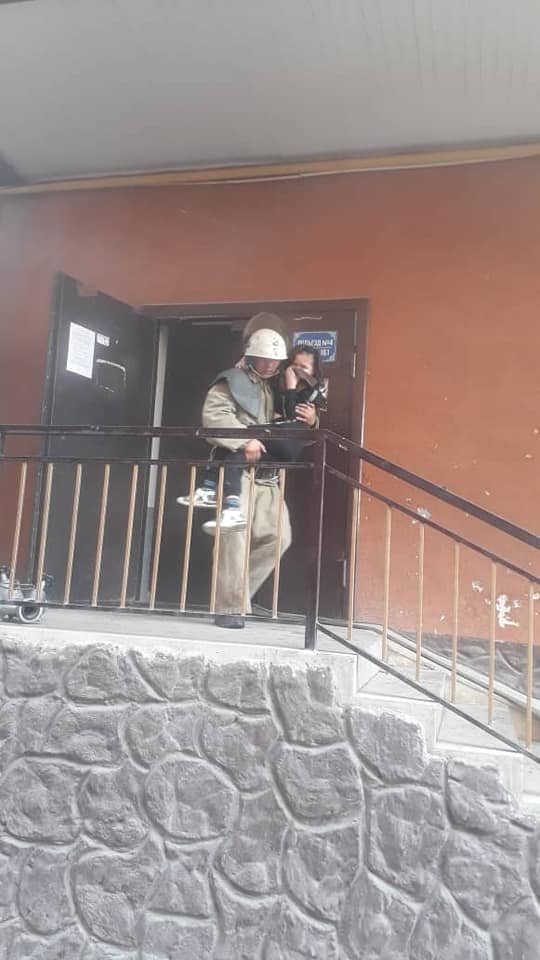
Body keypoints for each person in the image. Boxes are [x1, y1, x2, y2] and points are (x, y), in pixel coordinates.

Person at [196, 319, 317, 629]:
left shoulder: (277, 385)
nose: (269, 365)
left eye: (274, 360)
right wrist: (244, 440)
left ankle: (236, 598)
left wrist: (312, 420)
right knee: (235, 536)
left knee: (279, 538)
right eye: (263, 359)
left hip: (268, 476)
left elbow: (295, 419)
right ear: (251, 356)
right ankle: (229, 606)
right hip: (239, 473)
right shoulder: (231, 380)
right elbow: (214, 417)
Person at [177, 342, 325, 533]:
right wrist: (247, 362)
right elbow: (260, 376)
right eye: (294, 365)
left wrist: (311, 420)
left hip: (276, 458)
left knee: (275, 538)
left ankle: (223, 501)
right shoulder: (273, 384)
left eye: (303, 367)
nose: (296, 370)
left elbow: (294, 424)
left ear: (313, 371)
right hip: (259, 458)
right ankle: (212, 492)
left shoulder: (309, 392)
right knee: (227, 452)